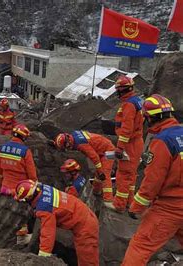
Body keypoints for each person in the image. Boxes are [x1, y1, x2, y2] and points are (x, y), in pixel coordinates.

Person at [122, 94, 183, 265]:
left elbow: (152, 181)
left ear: (150, 118)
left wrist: (136, 207)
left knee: (140, 246)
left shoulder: (162, 141)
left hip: (170, 207)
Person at [14, 180, 99, 266]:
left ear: (29, 198)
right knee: (84, 257)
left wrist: (42, 257)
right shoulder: (44, 188)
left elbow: (48, 234)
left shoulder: (44, 208)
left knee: (87, 260)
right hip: (83, 214)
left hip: (85, 225)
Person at [109, 76, 144, 212]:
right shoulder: (137, 101)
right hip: (136, 142)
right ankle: (129, 202)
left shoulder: (129, 105)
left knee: (123, 175)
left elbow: (126, 129)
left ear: (121, 90)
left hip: (130, 144)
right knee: (131, 175)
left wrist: (120, 147)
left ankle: (119, 205)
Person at [0, 124, 37, 237]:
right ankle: (21, 239)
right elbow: (32, 175)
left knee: (6, 212)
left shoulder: (2, 148)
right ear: (23, 137)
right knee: (21, 216)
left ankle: (5, 236)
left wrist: (1, 185)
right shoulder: (25, 151)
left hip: (5, 188)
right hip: (21, 190)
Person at [54, 130, 115, 203]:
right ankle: (96, 191)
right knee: (98, 174)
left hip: (108, 150)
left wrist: (100, 171)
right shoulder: (73, 135)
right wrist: (55, 144)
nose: (67, 148)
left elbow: (94, 157)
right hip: (102, 147)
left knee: (104, 174)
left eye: (66, 146)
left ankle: (108, 200)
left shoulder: (81, 144)